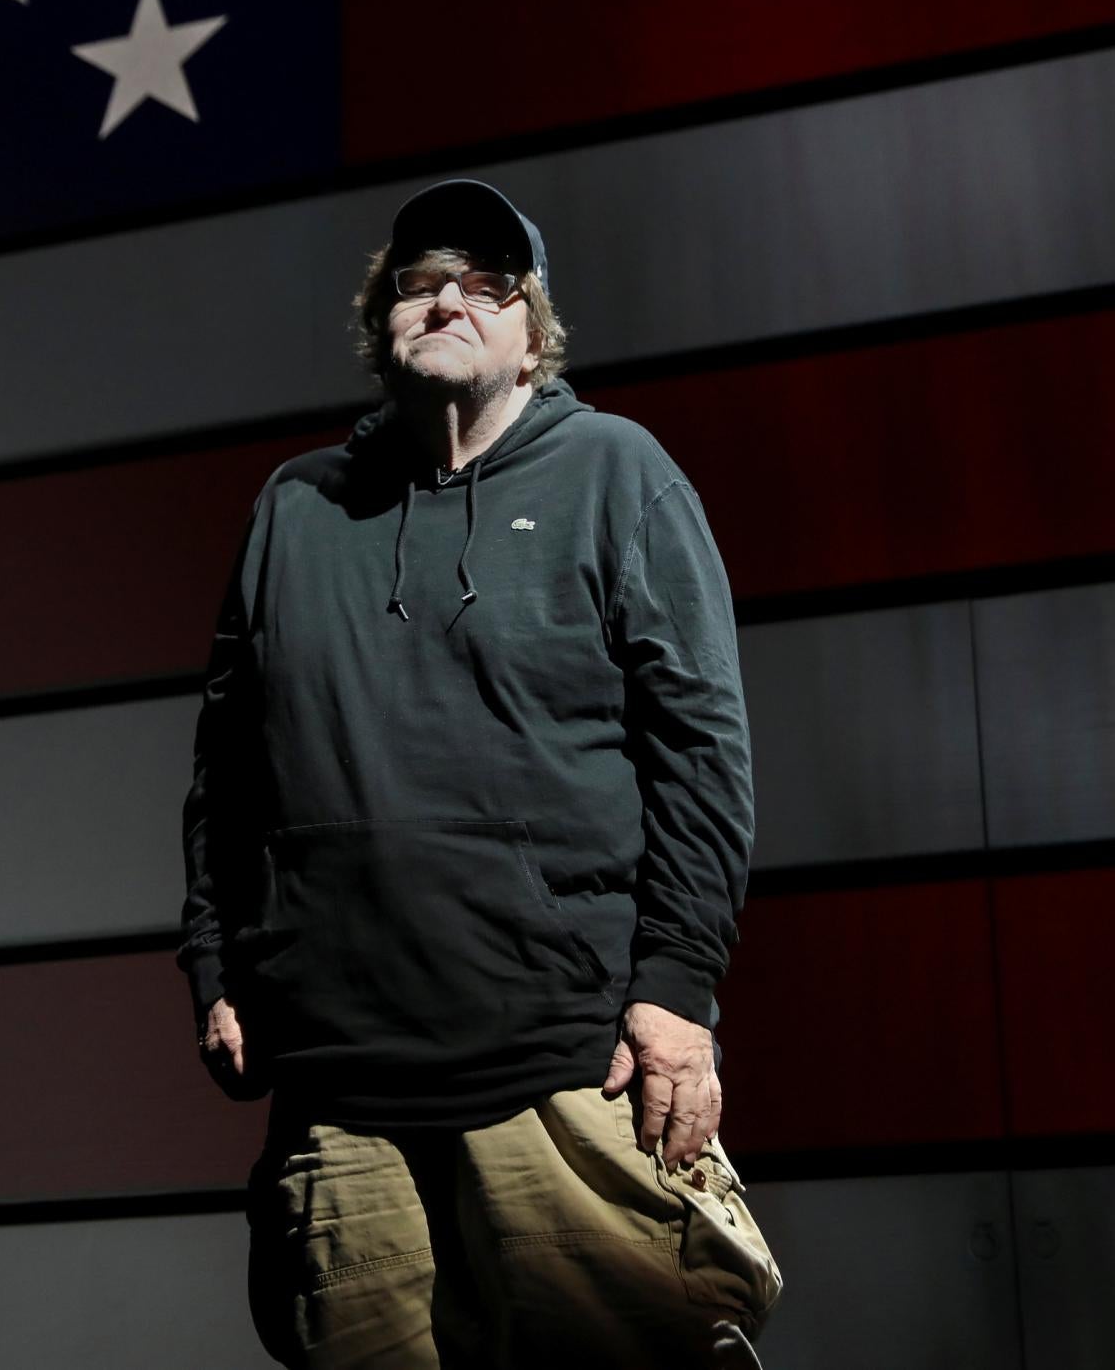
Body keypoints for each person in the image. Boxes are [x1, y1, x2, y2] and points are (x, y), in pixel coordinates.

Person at [177, 178, 783, 1367]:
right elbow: (226, 766)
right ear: (383, 318)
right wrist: (215, 958)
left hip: (564, 1065)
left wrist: (676, 990)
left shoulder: (617, 471)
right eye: (419, 279)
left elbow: (703, 750)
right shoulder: (294, 506)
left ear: (530, 327)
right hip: (338, 1085)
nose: (448, 295)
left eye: (486, 280)